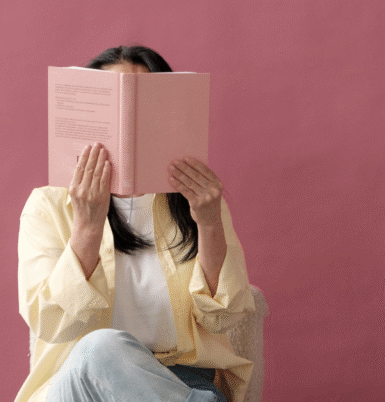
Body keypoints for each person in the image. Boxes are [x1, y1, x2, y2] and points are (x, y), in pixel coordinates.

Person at [16, 46, 255, 402]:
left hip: (177, 381)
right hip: (79, 385)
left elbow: (226, 317)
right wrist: (87, 226)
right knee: (99, 347)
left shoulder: (198, 202)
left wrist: (208, 223)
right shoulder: (47, 205)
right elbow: (51, 322)